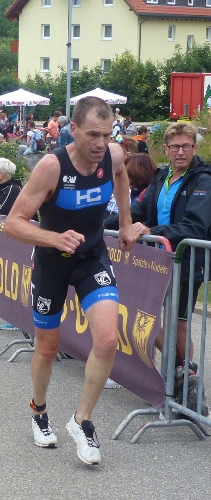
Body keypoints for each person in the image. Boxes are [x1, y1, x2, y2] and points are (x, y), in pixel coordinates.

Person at [4, 96, 138, 465]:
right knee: (47, 348)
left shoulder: (111, 155)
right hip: (51, 262)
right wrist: (53, 238)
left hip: (92, 256)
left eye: (107, 134)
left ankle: (82, 420)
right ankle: (39, 410)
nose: (100, 143)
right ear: (73, 130)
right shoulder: (51, 166)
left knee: (108, 338)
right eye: (93, 134)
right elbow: (13, 223)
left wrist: (125, 223)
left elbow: (122, 176)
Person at [131, 122, 211, 378]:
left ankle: (184, 378)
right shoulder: (161, 176)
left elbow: (195, 226)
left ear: (194, 147)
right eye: (175, 146)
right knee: (144, 317)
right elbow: (140, 210)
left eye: (186, 146)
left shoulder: (203, 180)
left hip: (186, 261)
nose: (180, 152)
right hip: (156, 259)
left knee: (178, 323)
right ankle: (175, 371)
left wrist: (153, 232)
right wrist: (115, 224)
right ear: (165, 149)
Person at [0, 157, 22, 331]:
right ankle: (13, 316)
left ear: (1, 174)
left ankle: (18, 319)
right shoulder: (1, 188)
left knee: (17, 279)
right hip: (9, 239)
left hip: (19, 240)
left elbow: (0, 213)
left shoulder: (13, 188)